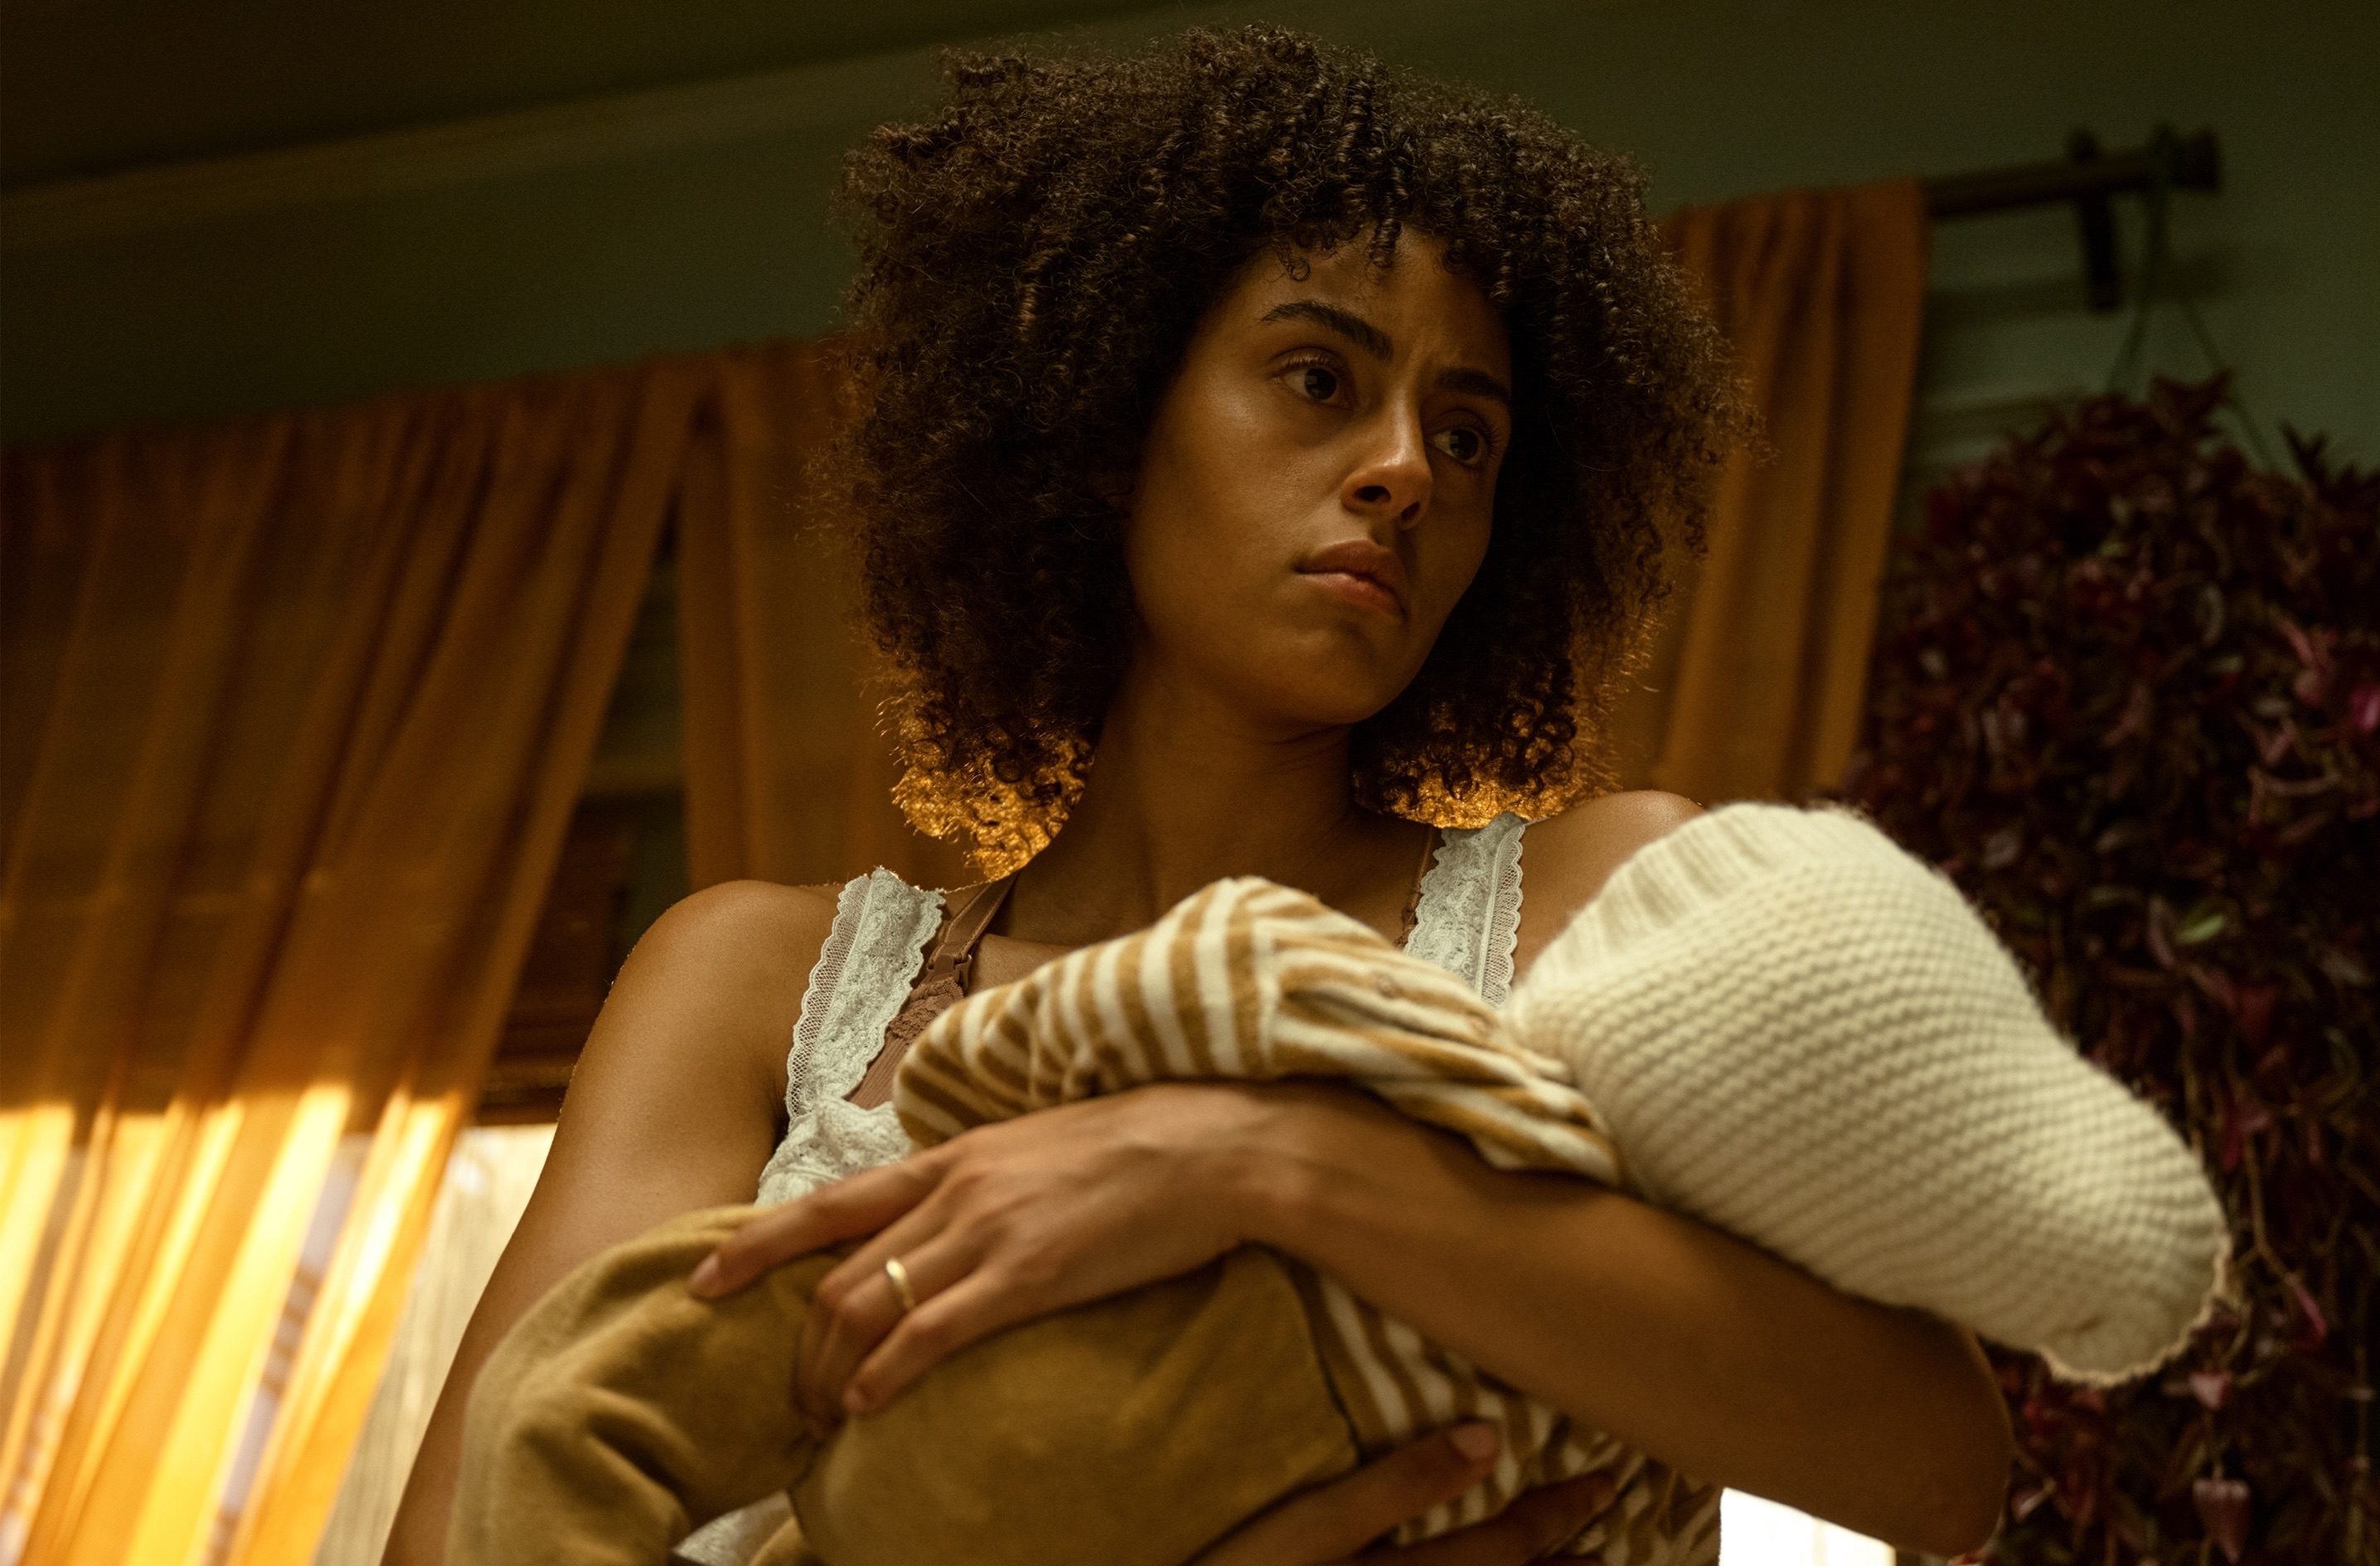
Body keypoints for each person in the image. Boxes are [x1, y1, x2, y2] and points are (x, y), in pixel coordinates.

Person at [385, 25, 2012, 1565]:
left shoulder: (1607, 896)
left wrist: (1251, 1160)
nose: (1403, 469)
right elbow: (489, 1525)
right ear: (1107, 418)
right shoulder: (755, 990)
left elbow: (1936, 1462)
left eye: (1466, 436)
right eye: (1317, 377)